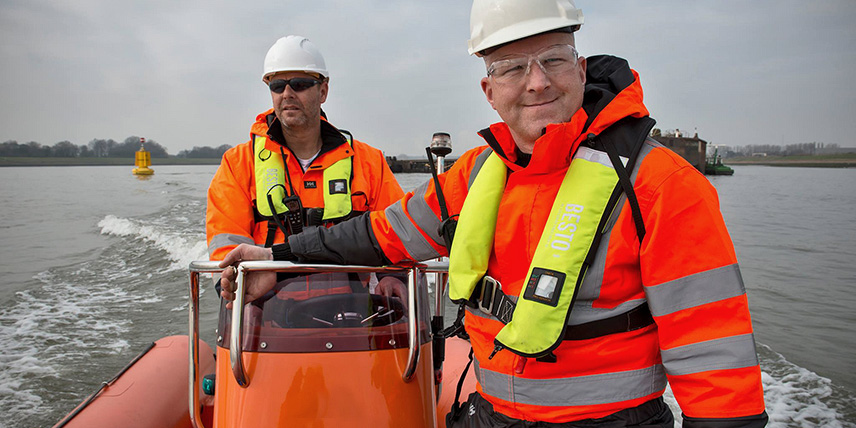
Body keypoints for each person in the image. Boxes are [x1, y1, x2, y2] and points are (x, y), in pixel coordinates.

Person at [218, 2, 769, 427]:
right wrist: (277, 255)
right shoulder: (476, 173)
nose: (536, 82)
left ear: (579, 68)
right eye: (511, 68)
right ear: (488, 89)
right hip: (493, 413)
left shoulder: (663, 184)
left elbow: (713, 353)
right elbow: (382, 234)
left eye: (553, 59)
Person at [208, 35, 405, 300]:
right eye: (277, 86)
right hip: (263, 319)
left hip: (355, 320)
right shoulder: (238, 164)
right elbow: (226, 246)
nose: (287, 93)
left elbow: (396, 233)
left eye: (299, 84)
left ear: (323, 91)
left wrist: (392, 276)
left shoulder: (369, 163)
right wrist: (233, 282)